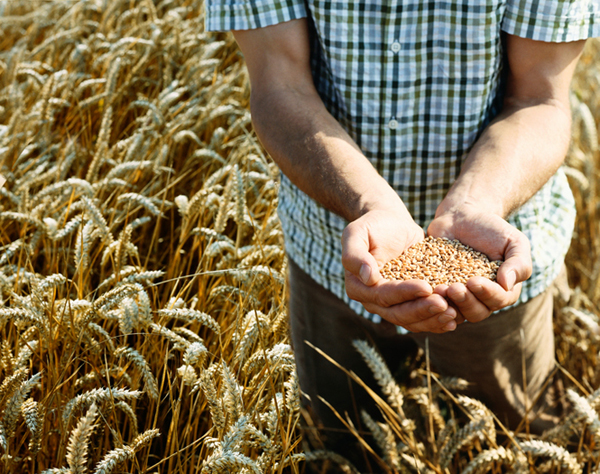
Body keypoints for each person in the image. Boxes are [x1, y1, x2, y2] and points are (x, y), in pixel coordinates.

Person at [206, 0, 599, 468]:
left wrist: (477, 203)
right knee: (338, 448)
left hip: (491, 261)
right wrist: (368, 204)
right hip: (332, 251)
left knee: (506, 450)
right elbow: (278, 84)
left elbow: (539, 97)